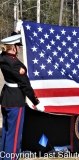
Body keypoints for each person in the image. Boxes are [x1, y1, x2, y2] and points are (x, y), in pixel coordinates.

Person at [0, 21, 40, 159]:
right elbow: (25, 85)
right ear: (14, 48)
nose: (20, 49)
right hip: (16, 100)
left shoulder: (3, 58)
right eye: (18, 47)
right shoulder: (16, 65)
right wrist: (36, 101)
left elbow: (8, 44)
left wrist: (15, 32)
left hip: (6, 98)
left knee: (6, 131)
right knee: (15, 133)